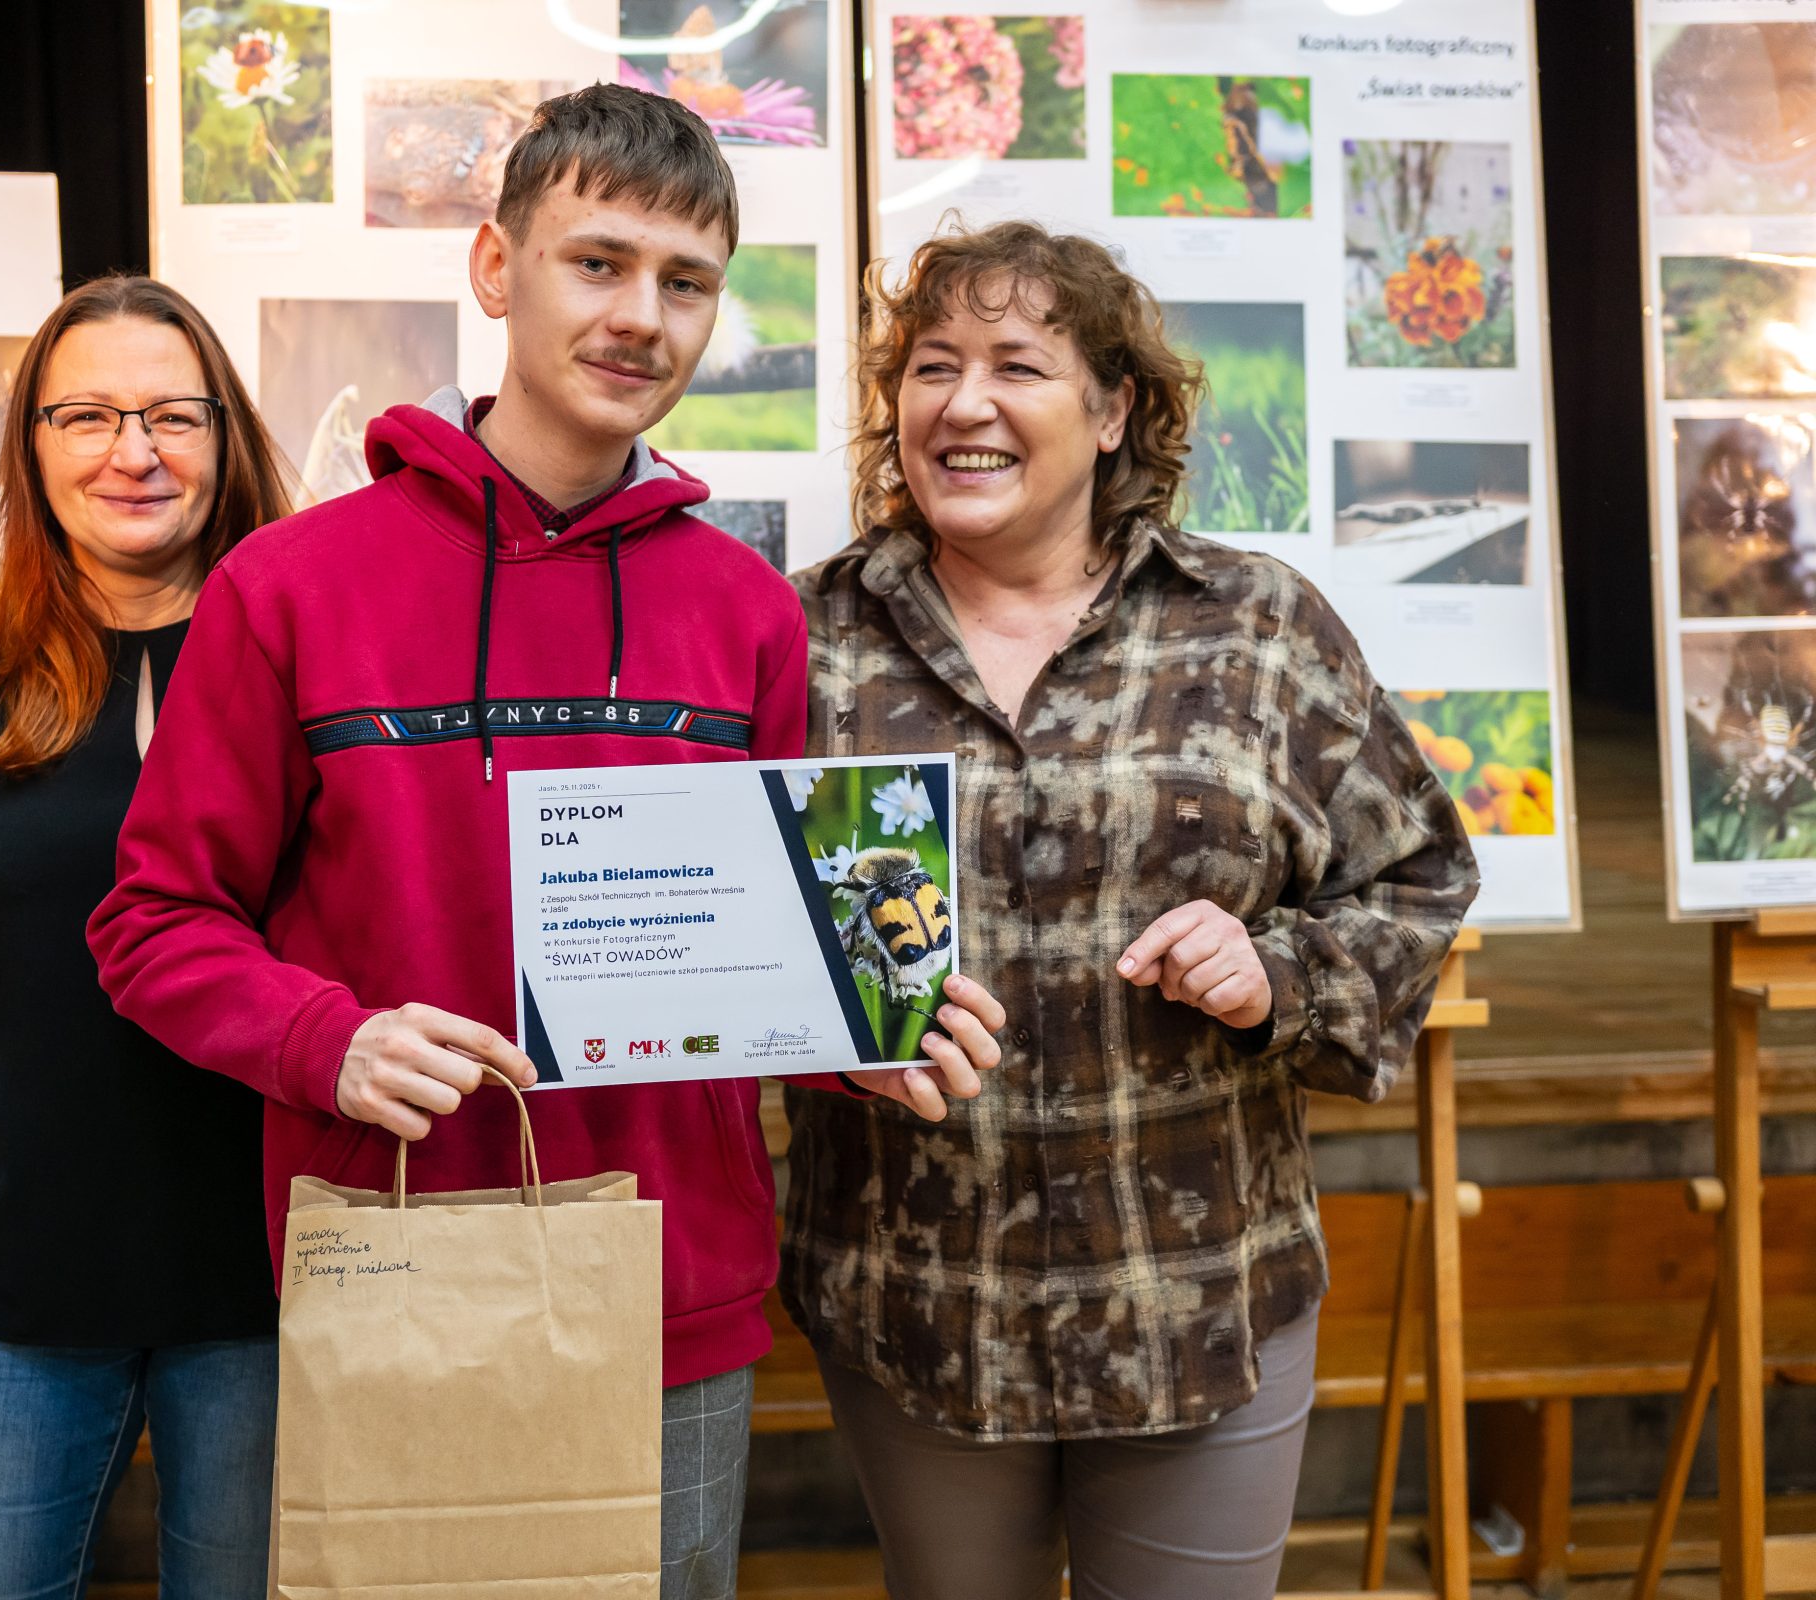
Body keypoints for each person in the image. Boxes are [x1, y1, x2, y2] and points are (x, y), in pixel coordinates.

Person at [87, 84, 1004, 1598]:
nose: (642, 316)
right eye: (598, 262)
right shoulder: (289, 587)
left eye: (687, 282)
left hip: (673, 1302)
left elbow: (764, 954)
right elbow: (153, 921)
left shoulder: (747, 612)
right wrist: (326, 1041)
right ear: (495, 270)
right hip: (391, 1275)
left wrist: (868, 1033)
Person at [781, 219, 1481, 1599]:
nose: (963, 403)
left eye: (1017, 365)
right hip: (918, 1297)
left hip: (1197, 1290)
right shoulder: (803, 639)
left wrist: (1280, 973)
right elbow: (732, 929)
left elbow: (1419, 872)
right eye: (933, 366)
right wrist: (826, 1036)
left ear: (1112, 410)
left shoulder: (1257, 625)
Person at [0, 274, 298, 1600]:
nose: (132, 451)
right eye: (88, 416)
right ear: (33, 447)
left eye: (171, 415)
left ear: (224, 436)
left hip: (274, 1277)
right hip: (12, 1274)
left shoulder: (316, 673)